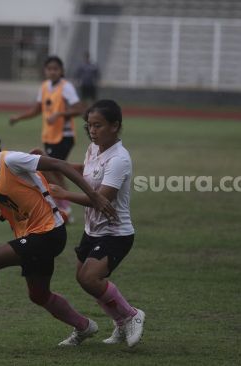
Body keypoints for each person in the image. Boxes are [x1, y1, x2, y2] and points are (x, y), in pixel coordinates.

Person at [0, 123, 117, 343]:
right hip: (33, 235)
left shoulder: (10, 160)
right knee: (39, 294)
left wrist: (93, 196)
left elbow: (59, 165)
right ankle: (84, 326)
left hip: (49, 232)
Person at [49, 100, 145, 347]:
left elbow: (101, 199)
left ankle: (132, 315)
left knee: (90, 278)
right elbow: (85, 170)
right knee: (84, 279)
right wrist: (50, 164)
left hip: (116, 233)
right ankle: (121, 323)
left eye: (98, 125)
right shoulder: (94, 148)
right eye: (89, 125)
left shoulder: (119, 159)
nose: (92, 130)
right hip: (92, 229)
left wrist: (63, 194)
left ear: (115, 126)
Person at [9, 56, 83, 221]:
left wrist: (59, 114)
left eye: (55, 68)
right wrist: (18, 118)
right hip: (49, 136)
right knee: (56, 170)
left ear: (61, 71)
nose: (52, 71)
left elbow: (79, 109)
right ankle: (64, 203)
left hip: (64, 136)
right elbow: (36, 110)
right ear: (45, 70)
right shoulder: (44, 87)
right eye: (49, 68)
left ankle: (65, 206)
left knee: (52, 168)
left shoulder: (66, 87)